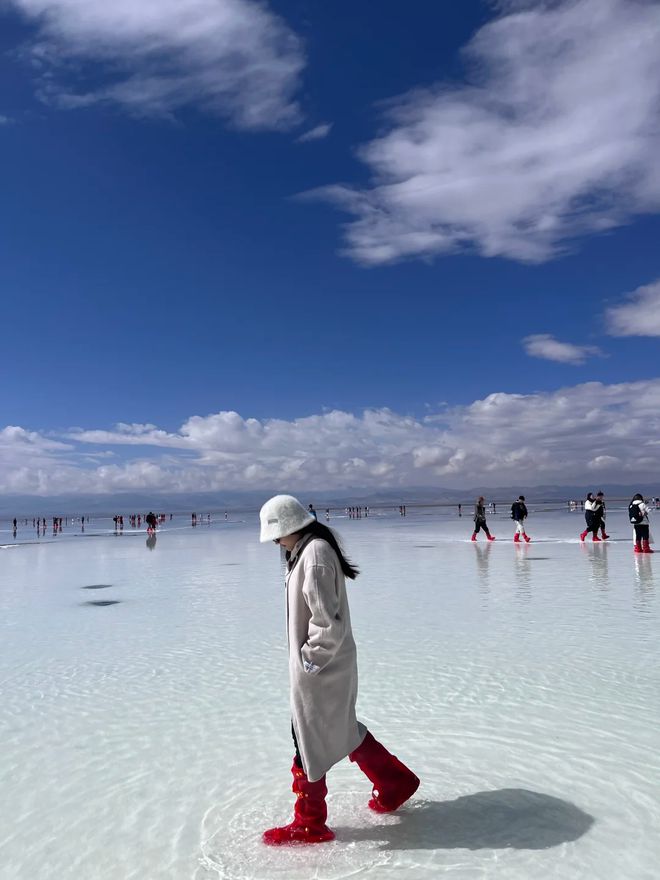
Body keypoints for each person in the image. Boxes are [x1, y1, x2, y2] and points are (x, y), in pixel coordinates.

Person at [258, 495, 419, 846]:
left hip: (323, 668)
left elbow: (326, 624)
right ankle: (396, 782)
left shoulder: (313, 554)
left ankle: (310, 823)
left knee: (307, 738)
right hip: (329, 665)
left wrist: (309, 662)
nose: (274, 541)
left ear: (289, 526)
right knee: (339, 729)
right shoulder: (308, 550)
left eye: (275, 534)